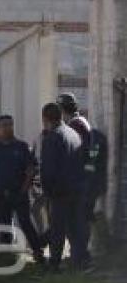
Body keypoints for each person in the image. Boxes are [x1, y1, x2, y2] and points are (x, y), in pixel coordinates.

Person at [0, 115, 45, 264]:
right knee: (4, 226)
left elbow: (30, 168)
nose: (8, 128)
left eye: (10, 124)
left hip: (19, 193)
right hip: (0, 195)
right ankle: (6, 257)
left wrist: (25, 188)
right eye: (4, 125)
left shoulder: (21, 146)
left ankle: (38, 252)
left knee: (25, 222)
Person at [40, 102, 87, 272]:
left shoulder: (52, 137)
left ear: (45, 118)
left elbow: (48, 169)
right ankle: (79, 262)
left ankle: (55, 264)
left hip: (60, 192)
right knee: (75, 227)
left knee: (57, 230)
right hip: (77, 188)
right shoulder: (73, 133)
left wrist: (47, 191)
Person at [57, 93, 93, 265]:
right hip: (82, 179)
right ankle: (79, 255)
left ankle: (79, 257)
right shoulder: (81, 122)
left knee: (75, 220)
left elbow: (75, 154)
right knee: (77, 220)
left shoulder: (75, 125)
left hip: (77, 181)